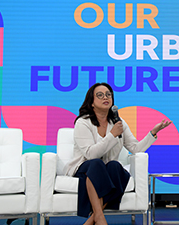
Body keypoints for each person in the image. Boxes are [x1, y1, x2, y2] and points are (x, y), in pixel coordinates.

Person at [64, 82, 171, 225]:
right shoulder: (83, 122)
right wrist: (113, 135)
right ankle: (100, 219)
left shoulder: (118, 122)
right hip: (85, 168)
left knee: (115, 166)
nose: (105, 97)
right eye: (100, 95)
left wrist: (153, 133)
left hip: (107, 170)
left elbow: (135, 148)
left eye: (108, 94)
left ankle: (93, 218)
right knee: (96, 164)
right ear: (92, 102)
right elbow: (90, 155)